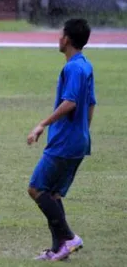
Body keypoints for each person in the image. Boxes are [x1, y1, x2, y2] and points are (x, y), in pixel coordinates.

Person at [28, 18, 95, 261]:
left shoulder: (73, 68)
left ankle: (69, 237)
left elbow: (71, 103)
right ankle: (59, 250)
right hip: (77, 141)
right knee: (53, 194)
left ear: (66, 39)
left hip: (64, 143)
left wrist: (42, 124)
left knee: (36, 188)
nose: (58, 38)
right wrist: (83, 132)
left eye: (60, 34)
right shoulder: (86, 65)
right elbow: (91, 104)